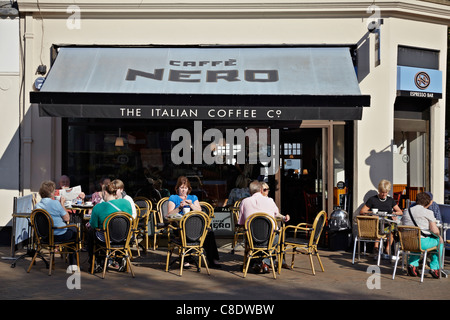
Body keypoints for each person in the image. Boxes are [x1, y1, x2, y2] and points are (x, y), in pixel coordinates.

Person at [167, 176, 221, 268]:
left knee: (209, 233)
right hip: (179, 226)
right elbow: (169, 214)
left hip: (195, 226)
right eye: (181, 188)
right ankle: (186, 259)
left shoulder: (193, 197)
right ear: (177, 188)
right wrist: (179, 207)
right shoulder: (173, 198)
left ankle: (212, 259)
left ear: (188, 189)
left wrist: (191, 204)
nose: (183, 190)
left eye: (185, 188)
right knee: (187, 232)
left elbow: (199, 211)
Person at [239, 180, 290, 272]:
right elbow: (276, 213)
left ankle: (257, 263)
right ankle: (265, 263)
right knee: (276, 238)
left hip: (252, 239)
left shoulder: (244, 202)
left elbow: (241, 223)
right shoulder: (270, 201)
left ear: (250, 191)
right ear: (261, 190)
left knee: (251, 239)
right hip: (269, 239)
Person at [86, 181, 133, 271]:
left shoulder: (98, 207)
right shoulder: (126, 203)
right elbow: (129, 218)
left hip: (106, 239)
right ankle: (120, 259)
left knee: (91, 232)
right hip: (125, 238)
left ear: (105, 192)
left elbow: (94, 225)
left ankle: (94, 262)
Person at [35, 180, 78, 267]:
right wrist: (62, 203)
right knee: (74, 230)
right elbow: (67, 218)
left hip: (44, 237)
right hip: (58, 236)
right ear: (51, 192)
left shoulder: (37, 206)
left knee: (71, 229)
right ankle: (73, 263)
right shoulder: (55, 203)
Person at [401, 192, 443, 278]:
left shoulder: (406, 211)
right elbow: (435, 231)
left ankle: (412, 264)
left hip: (406, 242)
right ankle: (435, 267)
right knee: (439, 240)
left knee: (417, 240)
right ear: (428, 202)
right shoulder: (428, 212)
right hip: (421, 242)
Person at [360, 179, 402, 258]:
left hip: (387, 224)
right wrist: (372, 213)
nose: (384, 194)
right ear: (379, 190)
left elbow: (400, 212)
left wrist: (394, 213)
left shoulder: (390, 200)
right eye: (382, 192)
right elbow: (362, 211)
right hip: (376, 225)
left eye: (386, 192)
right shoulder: (373, 200)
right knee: (378, 226)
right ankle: (376, 247)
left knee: (392, 227)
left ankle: (388, 248)